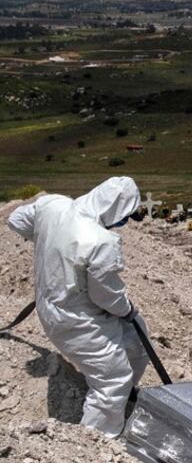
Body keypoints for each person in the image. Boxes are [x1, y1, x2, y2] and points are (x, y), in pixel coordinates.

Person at [7, 176, 149, 439]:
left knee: (138, 336)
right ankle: (95, 441)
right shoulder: (100, 241)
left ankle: (125, 396)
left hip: (52, 305)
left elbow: (15, 220)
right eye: (124, 216)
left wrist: (49, 244)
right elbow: (105, 296)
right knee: (112, 378)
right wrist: (126, 308)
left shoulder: (52, 206)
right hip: (78, 320)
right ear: (115, 209)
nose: (123, 223)